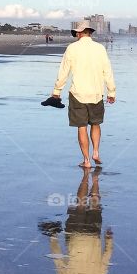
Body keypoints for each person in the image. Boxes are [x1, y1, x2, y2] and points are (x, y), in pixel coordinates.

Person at [40, 169, 113, 274]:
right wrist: (53, 237)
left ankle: (95, 180)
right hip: (75, 238)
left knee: (95, 206)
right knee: (80, 205)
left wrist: (109, 241)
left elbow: (105, 263)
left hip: (93, 238)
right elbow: (58, 261)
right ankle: (86, 177)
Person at [48, 19, 116, 168]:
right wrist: (111, 91)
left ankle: (86, 160)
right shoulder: (100, 49)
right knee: (96, 124)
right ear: (90, 33)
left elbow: (64, 71)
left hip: (78, 93)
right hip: (97, 93)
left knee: (82, 127)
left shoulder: (72, 48)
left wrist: (56, 91)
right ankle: (96, 152)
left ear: (79, 33)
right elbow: (108, 71)